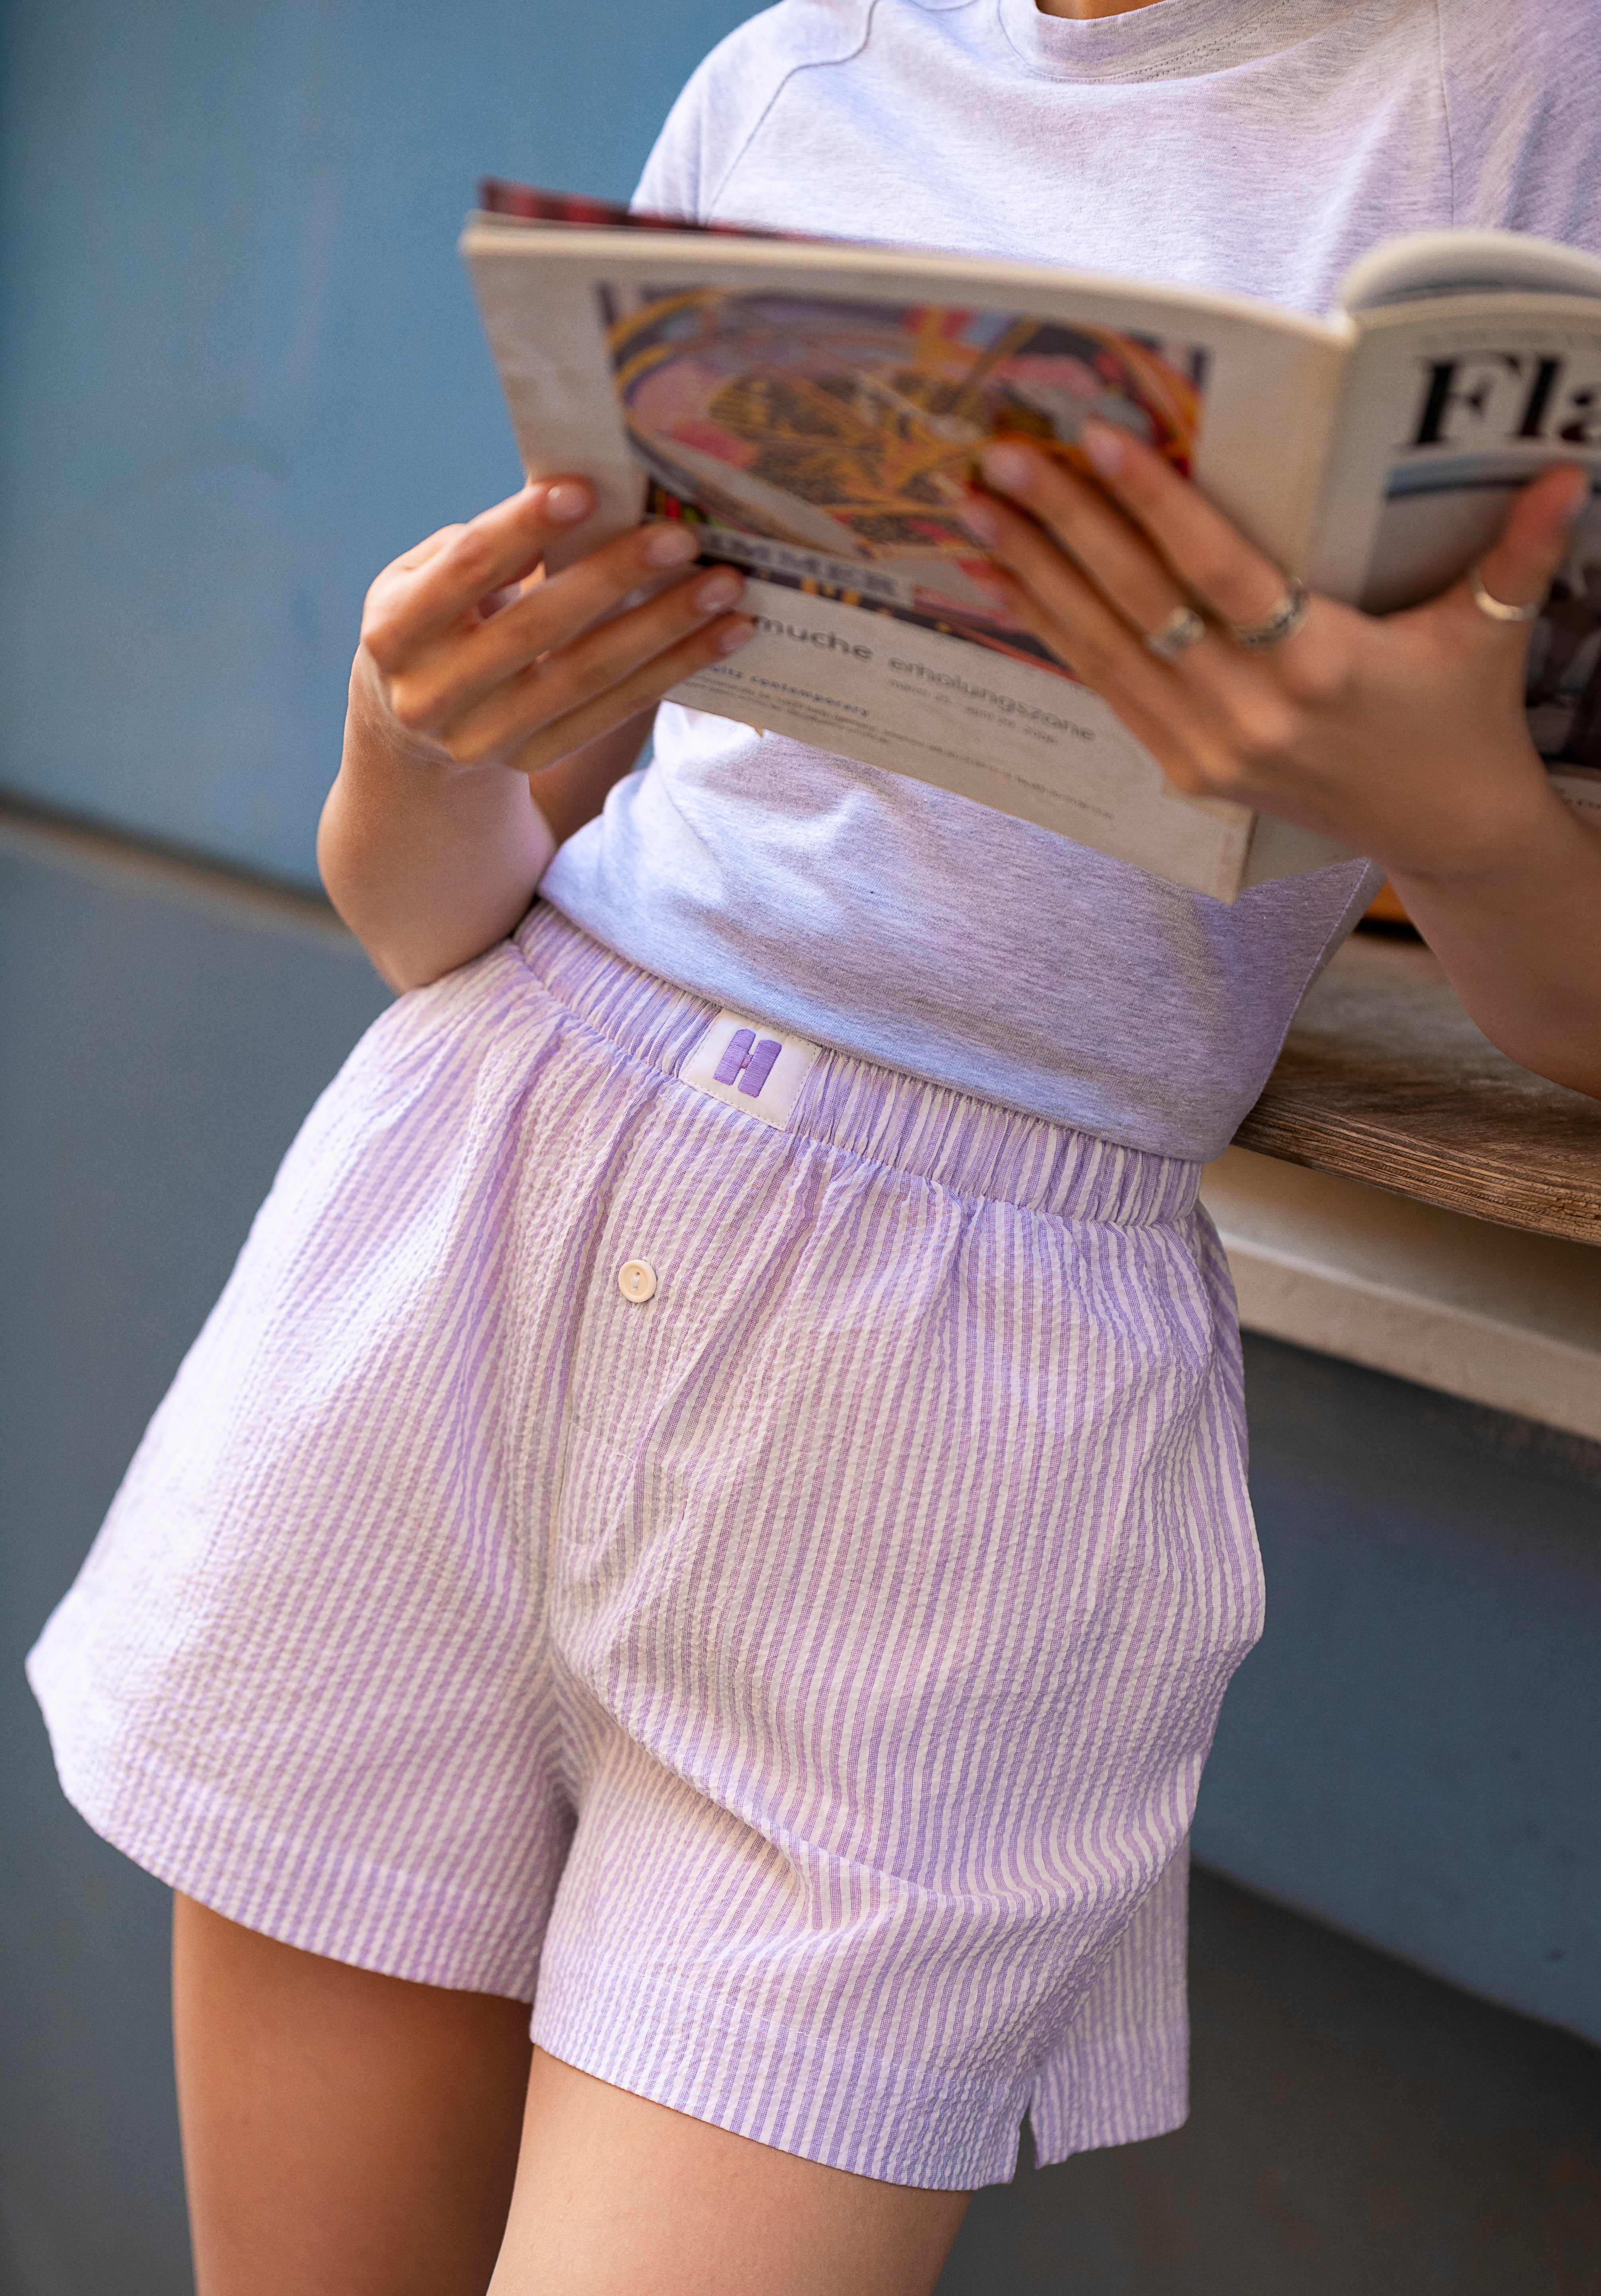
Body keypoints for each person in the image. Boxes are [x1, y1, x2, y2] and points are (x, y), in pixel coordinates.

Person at [28, 3, 1601, 2291]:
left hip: (965, 1421)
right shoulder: (799, 74)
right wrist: (410, 735)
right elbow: (434, 909)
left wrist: (1463, 822)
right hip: (476, 1216)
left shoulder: (1529, 92)